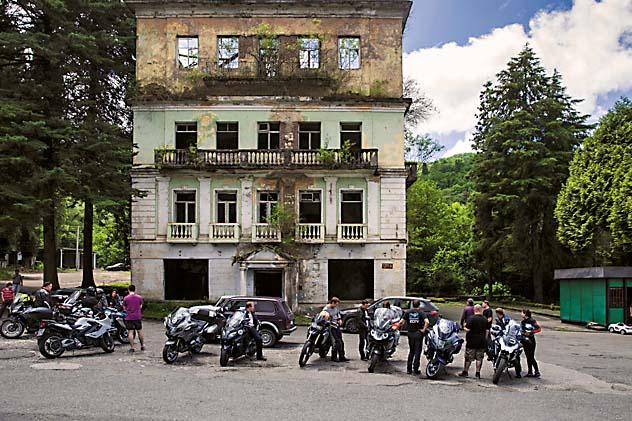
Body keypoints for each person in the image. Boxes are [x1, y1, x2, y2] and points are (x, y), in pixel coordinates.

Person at [401, 299, 429, 375]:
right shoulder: (421, 312)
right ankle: (415, 369)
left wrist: (397, 327)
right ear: (419, 305)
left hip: (410, 333)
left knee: (411, 351)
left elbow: (402, 322)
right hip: (418, 333)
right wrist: (423, 330)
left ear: (412, 305)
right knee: (417, 352)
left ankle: (409, 369)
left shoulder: (408, 312)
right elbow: (427, 322)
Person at [459, 304, 488, 379]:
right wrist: (485, 338)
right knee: (479, 358)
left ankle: (465, 371)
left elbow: (468, 329)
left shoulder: (471, 318)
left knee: (468, 357)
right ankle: (477, 373)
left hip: (471, 341)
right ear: (480, 310)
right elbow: (487, 330)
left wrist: (464, 327)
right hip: (481, 341)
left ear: (474, 310)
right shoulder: (485, 319)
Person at [322, 297, 348, 362]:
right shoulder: (326, 309)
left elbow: (337, 314)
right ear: (332, 302)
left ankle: (342, 356)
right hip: (331, 327)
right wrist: (328, 321)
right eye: (336, 304)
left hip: (336, 325)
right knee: (336, 342)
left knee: (341, 342)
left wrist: (339, 319)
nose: (336, 306)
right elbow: (323, 318)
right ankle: (334, 357)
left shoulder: (335, 308)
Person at [123, 284, 144, 352]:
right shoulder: (139, 297)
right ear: (135, 289)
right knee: (139, 331)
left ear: (128, 289)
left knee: (130, 332)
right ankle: (142, 345)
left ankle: (132, 347)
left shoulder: (126, 298)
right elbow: (141, 306)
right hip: (137, 316)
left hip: (129, 317)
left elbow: (124, 307)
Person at [521, 309, 541, 378]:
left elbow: (538, 329)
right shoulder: (523, 322)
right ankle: (530, 372)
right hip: (525, 341)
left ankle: (537, 371)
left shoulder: (532, 321)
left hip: (531, 341)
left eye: (522, 312)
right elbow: (521, 330)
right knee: (527, 356)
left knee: (531, 356)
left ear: (525, 314)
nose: (521, 314)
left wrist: (530, 333)